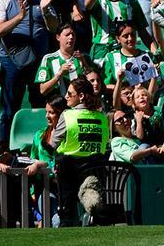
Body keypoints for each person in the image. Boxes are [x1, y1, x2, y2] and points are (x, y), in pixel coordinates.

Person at [0, 0, 58, 143]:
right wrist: (19, 18)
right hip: (12, 63)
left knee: (39, 107)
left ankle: (38, 145)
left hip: (38, 64)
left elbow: (54, 28)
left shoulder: (40, 1)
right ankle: (4, 149)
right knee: (10, 108)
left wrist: (45, 9)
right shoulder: (3, 3)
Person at [50, 78, 110, 227]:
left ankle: (68, 218)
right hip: (95, 171)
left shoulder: (68, 115)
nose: (66, 97)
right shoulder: (102, 118)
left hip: (69, 174)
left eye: (70, 93)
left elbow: (52, 143)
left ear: (81, 96)